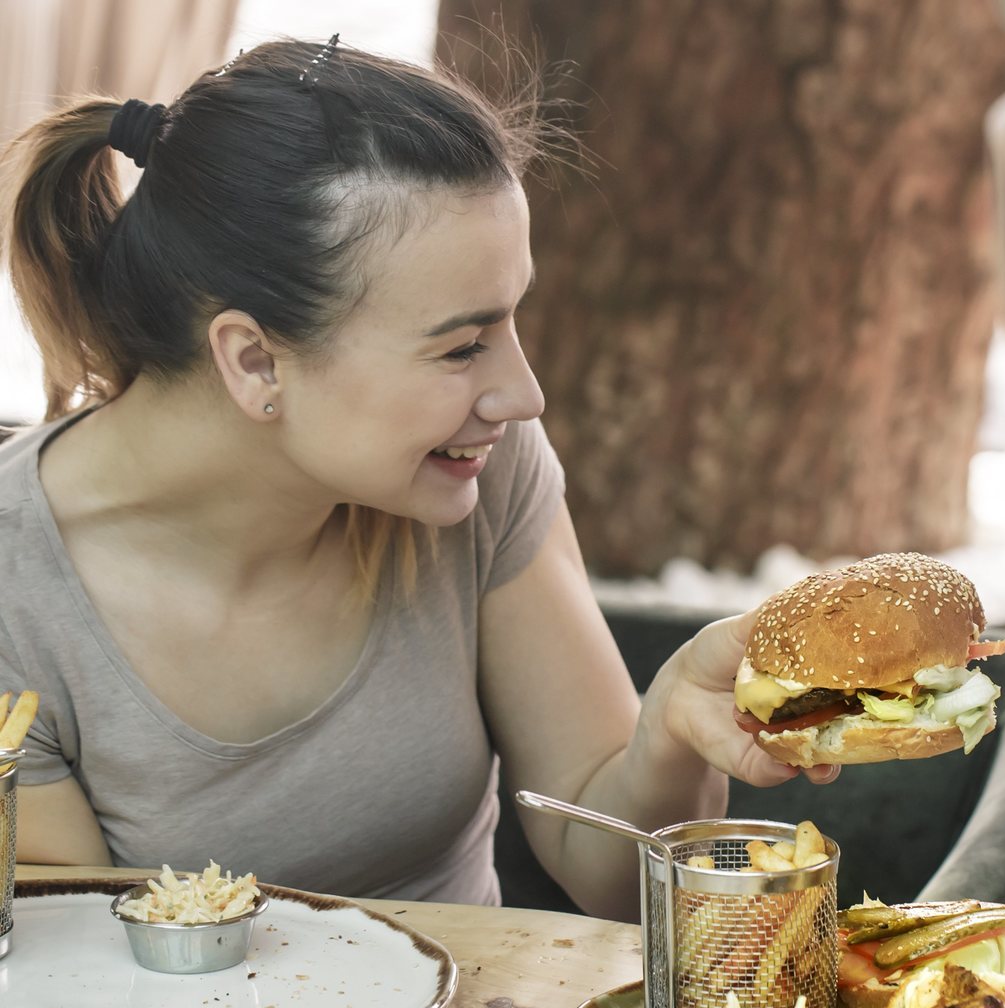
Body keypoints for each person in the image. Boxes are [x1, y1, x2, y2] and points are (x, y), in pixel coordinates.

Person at [0, 37, 831, 918]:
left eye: (512, 323)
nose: (522, 395)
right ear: (255, 362)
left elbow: (614, 875)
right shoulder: (18, 597)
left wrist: (667, 731)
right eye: (463, 346)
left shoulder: (473, 473)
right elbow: (79, 999)